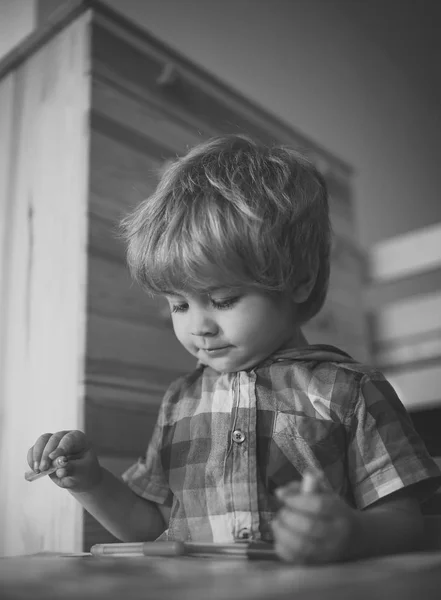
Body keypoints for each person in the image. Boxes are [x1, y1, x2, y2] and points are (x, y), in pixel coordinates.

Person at [27, 134, 441, 564]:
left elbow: (407, 521)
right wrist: (90, 483)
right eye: (179, 305)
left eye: (223, 300)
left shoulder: (352, 390)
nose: (199, 327)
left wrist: (354, 533)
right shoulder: (180, 403)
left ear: (299, 279)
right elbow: (153, 527)